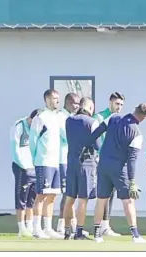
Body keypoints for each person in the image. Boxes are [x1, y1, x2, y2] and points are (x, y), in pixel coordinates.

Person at [90, 103, 146, 244]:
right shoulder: (137, 133)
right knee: (128, 201)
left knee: (101, 200)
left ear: (134, 109)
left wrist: (99, 151)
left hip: (103, 165)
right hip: (119, 169)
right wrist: (132, 181)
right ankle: (135, 235)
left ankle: (96, 235)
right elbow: (132, 160)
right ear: (145, 117)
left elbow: (95, 134)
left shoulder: (113, 117)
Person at [29, 89, 63, 239]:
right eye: (53, 98)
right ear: (46, 100)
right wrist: (36, 159)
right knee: (41, 195)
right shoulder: (40, 117)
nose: (56, 101)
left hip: (56, 161)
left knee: (52, 195)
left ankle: (48, 228)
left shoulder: (57, 117)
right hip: (43, 161)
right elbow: (33, 140)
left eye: (57, 98)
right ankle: (37, 229)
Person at [63, 97, 99, 240]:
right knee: (83, 199)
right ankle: (79, 231)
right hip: (87, 163)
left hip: (71, 161)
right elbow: (97, 145)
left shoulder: (69, 120)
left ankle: (66, 231)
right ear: (90, 107)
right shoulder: (92, 122)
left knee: (69, 198)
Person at [92, 92, 125, 236]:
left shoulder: (120, 119)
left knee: (111, 193)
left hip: (114, 161)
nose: (119, 107)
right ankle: (99, 226)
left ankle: (106, 225)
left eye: (121, 105)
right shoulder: (100, 117)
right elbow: (94, 136)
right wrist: (99, 153)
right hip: (102, 160)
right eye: (117, 104)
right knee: (103, 194)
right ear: (110, 103)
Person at [10, 109, 39, 237]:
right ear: (31, 119)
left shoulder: (37, 129)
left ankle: (29, 226)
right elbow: (15, 149)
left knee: (31, 199)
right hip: (22, 168)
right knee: (22, 197)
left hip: (34, 167)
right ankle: (21, 228)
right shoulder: (19, 127)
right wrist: (24, 166)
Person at [57, 93, 80, 235]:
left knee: (71, 193)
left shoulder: (73, 118)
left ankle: (70, 224)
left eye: (78, 103)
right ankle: (62, 224)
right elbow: (66, 137)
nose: (76, 106)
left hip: (70, 159)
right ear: (66, 102)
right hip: (62, 159)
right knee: (67, 193)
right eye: (73, 103)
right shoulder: (62, 117)